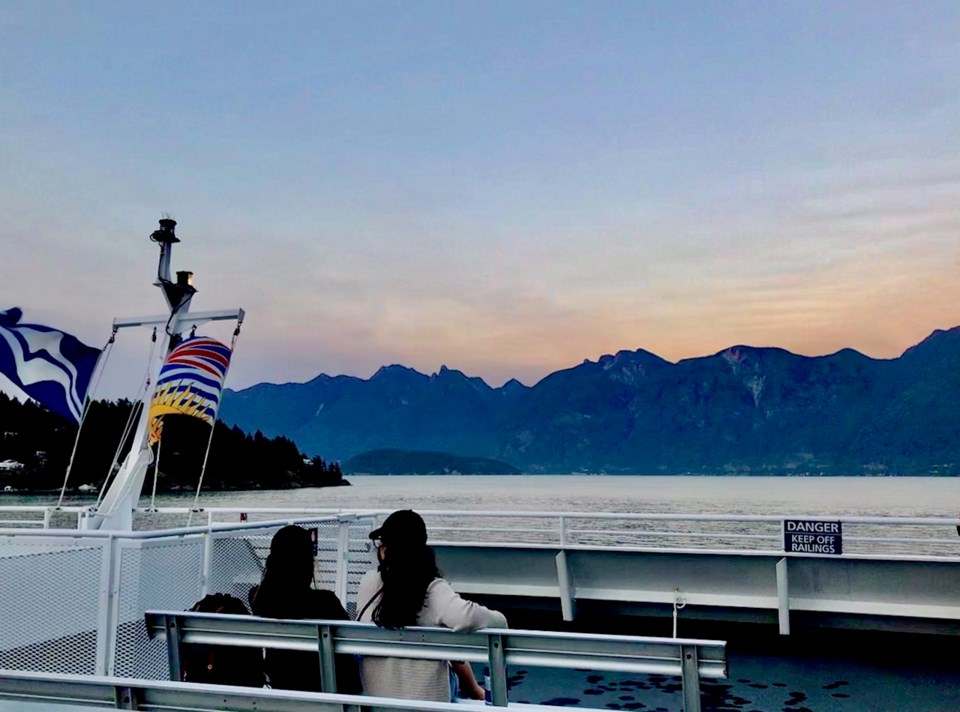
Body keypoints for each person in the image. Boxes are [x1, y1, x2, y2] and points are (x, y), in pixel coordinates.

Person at [356, 509, 507, 702]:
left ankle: (474, 690)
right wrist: (501, 621)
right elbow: (468, 617)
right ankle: (475, 691)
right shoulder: (433, 589)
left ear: (385, 550)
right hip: (429, 701)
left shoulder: (368, 583)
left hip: (377, 700)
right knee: (446, 634)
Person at [250, 524, 362, 694]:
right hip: (325, 694)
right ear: (306, 562)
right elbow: (350, 649)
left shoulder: (259, 601)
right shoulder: (326, 603)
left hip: (282, 689)